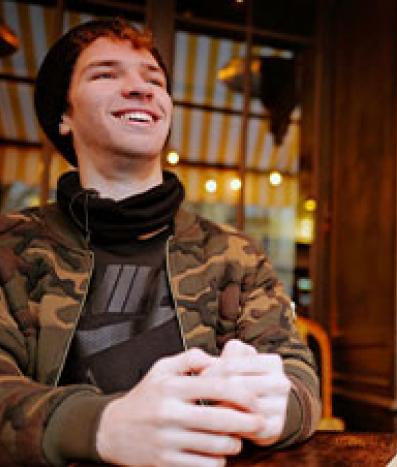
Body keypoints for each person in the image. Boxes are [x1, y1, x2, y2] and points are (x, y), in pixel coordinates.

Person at [0, 18, 320, 466]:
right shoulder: (11, 245)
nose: (141, 88)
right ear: (64, 116)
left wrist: (280, 409)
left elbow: (296, 374)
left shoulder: (234, 252)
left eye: (154, 79)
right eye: (106, 73)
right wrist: (101, 426)